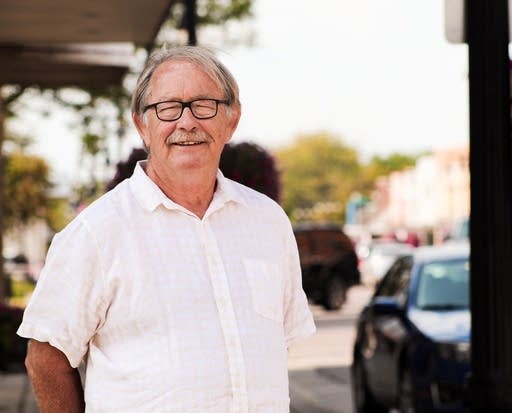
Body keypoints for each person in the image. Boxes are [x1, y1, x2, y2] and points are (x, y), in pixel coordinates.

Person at [17, 45, 316, 412]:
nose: (187, 123)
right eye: (168, 108)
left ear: (231, 119)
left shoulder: (268, 222)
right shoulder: (97, 233)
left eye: (204, 104)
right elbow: (45, 358)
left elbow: (273, 344)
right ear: (143, 123)